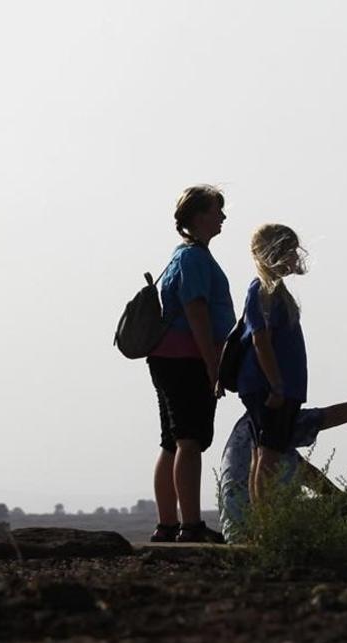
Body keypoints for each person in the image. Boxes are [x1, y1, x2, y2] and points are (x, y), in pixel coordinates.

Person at [147, 186, 237, 543]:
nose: (223, 218)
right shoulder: (194, 259)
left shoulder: (182, 256)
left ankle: (168, 523)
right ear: (200, 216)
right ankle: (190, 525)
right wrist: (213, 365)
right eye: (218, 210)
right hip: (187, 358)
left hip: (169, 357)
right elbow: (196, 312)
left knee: (172, 441)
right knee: (189, 440)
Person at [217, 389, 347, 543]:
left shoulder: (253, 430)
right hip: (260, 530)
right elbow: (332, 415)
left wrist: (336, 498)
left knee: (342, 505)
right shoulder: (276, 420)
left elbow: (307, 473)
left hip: (234, 532)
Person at [236, 223, 310, 506]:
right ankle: (266, 526)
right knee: (268, 454)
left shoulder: (277, 291)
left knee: (265, 452)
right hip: (269, 387)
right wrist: (276, 385)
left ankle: (264, 523)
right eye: (290, 251)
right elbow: (260, 340)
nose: (294, 257)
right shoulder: (261, 290)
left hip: (280, 386)